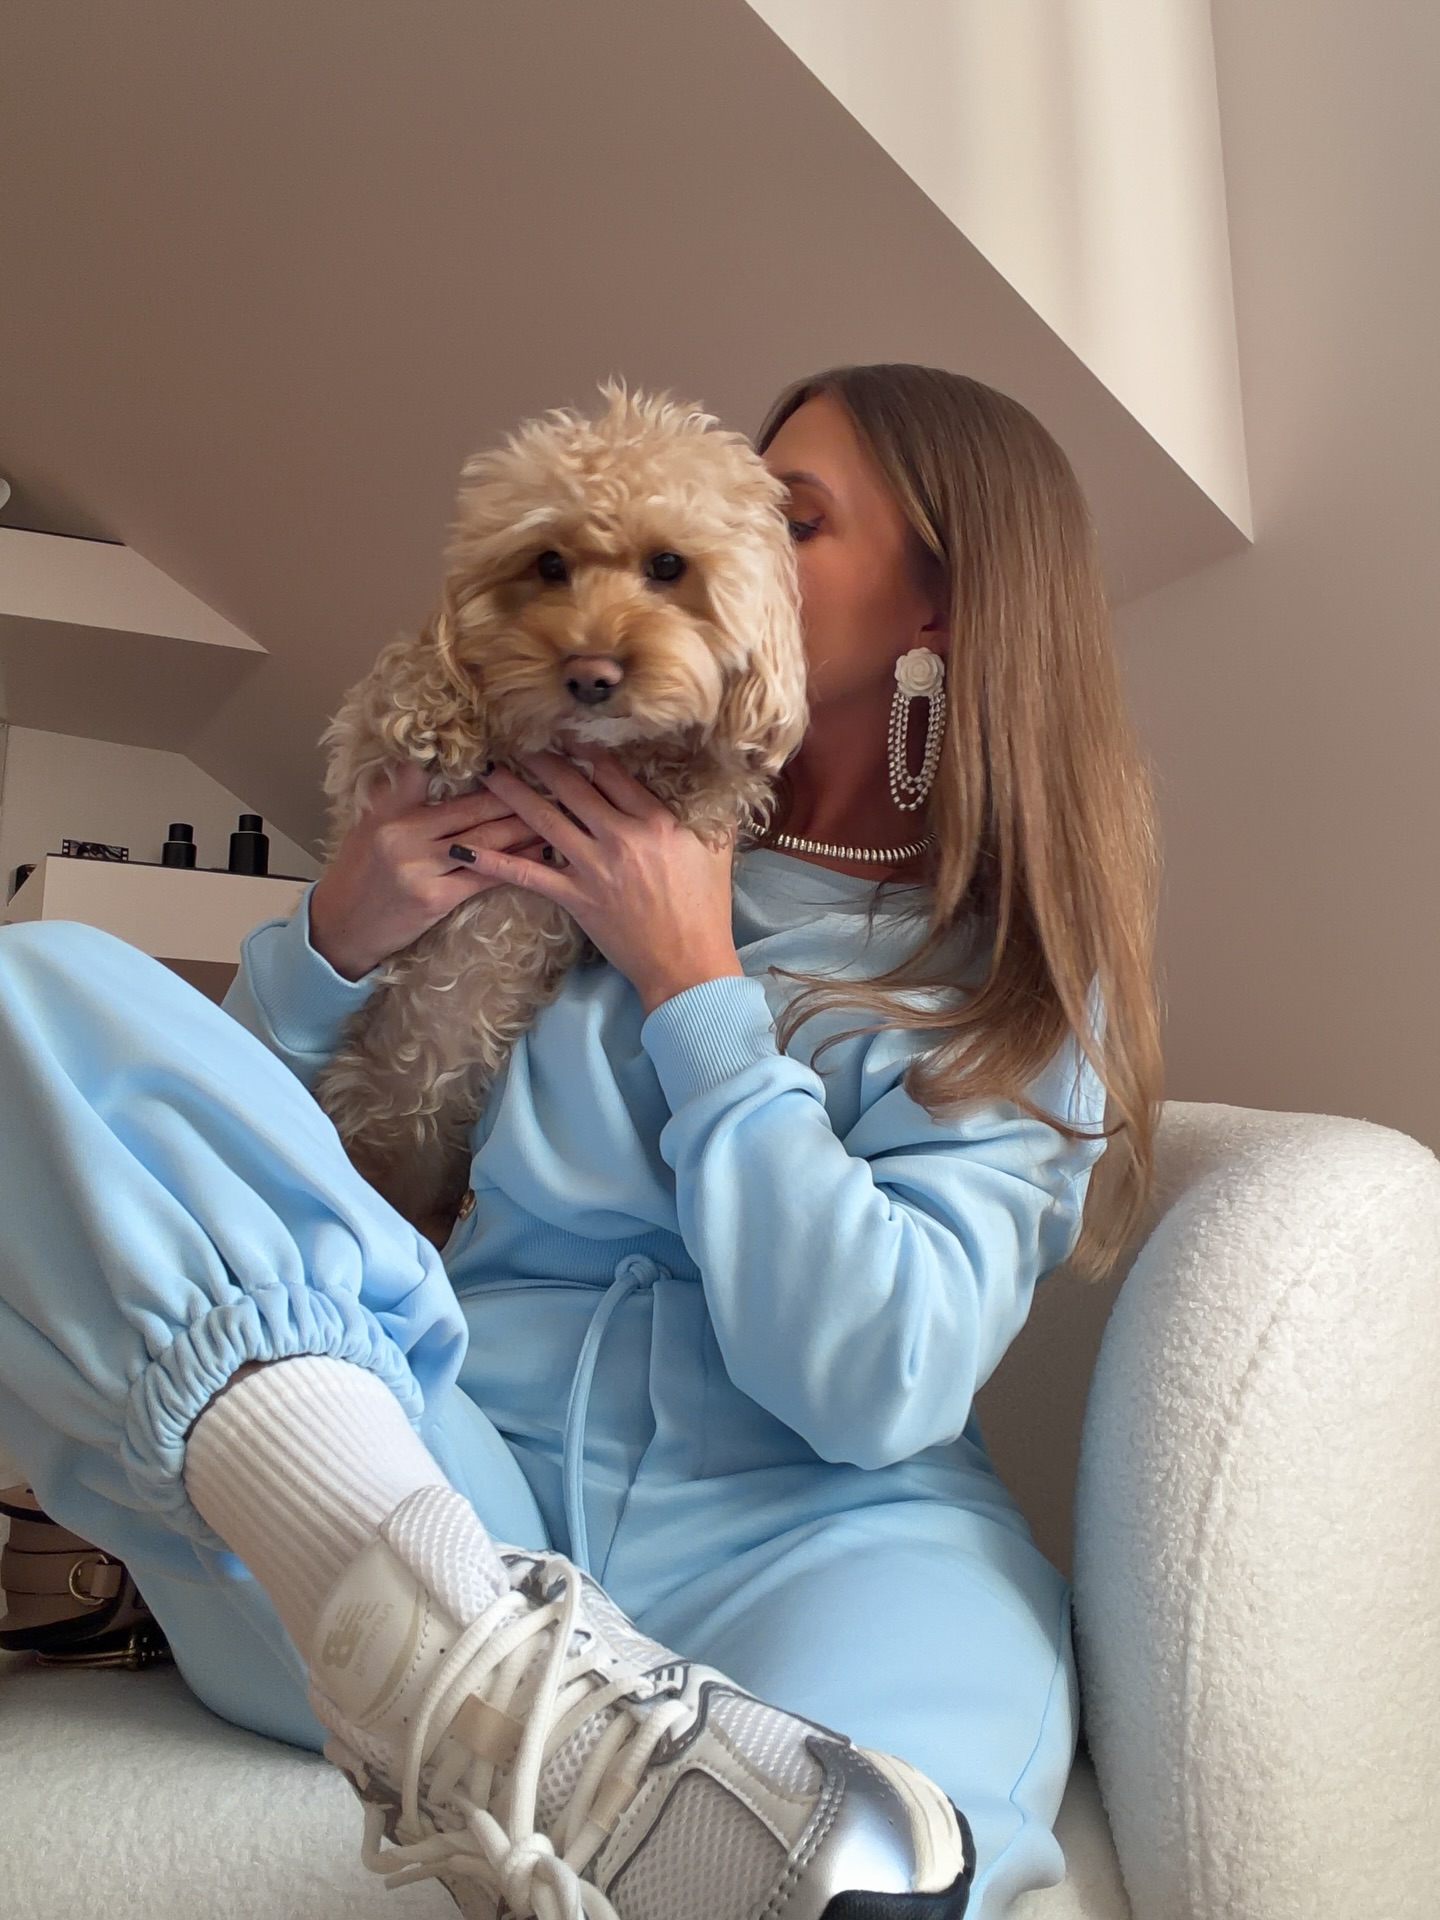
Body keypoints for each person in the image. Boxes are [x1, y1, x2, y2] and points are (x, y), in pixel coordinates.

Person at [0, 363, 1162, 1919]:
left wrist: (696, 986)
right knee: (33, 990)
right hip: (432, 1485)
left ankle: (507, 1716)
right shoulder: (537, 826)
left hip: (823, 1536)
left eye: (788, 518)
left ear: (938, 606)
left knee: (879, 1840)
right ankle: (486, 1673)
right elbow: (250, 1205)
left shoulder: (1006, 971)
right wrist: (340, 936)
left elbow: (873, 1383)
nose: (734, 532)